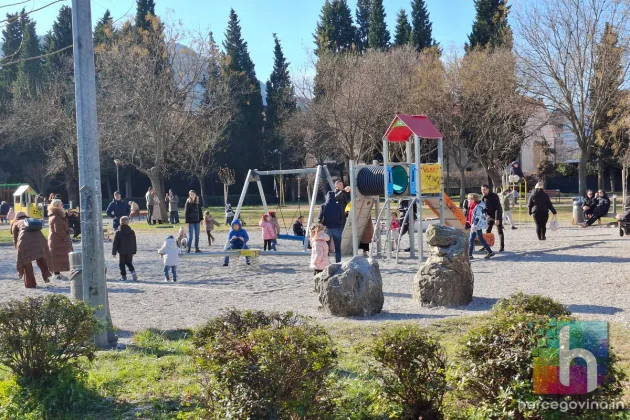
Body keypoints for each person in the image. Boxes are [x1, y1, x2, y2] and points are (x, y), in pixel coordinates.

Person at [12, 211, 52, 288]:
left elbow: (15, 238)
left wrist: (17, 248)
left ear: (16, 217)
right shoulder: (31, 221)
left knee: (26, 261)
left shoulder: (16, 222)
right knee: (41, 258)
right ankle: (46, 275)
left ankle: (30, 283)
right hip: (40, 240)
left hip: (24, 241)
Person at [47, 199, 73, 281]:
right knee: (56, 257)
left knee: (58, 257)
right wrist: (67, 234)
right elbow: (58, 230)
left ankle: (57, 274)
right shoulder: (56, 216)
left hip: (57, 240)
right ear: (57, 206)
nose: (63, 206)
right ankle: (56, 275)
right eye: (61, 204)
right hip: (57, 240)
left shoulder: (57, 215)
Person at [468, 193, 495, 260]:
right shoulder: (473, 206)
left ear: (473, 199)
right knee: (480, 238)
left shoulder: (478, 207)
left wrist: (474, 226)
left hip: (477, 226)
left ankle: (469, 255)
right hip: (476, 225)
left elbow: (477, 217)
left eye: (469, 199)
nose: (468, 200)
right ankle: (490, 252)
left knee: (471, 239)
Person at [319, 191, 343, 263]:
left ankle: (327, 263)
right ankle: (338, 263)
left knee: (326, 248)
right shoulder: (338, 206)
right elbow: (341, 217)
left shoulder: (323, 206)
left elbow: (319, 218)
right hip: (337, 228)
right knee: (338, 249)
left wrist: (323, 223)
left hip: (327, 228)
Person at [112, 216, 137, 281]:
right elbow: (134, 242)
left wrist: (114, 252)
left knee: (122, 264)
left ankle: (124, 276)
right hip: (130, 250)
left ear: (120, 222)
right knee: (129, 262)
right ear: (128, 223)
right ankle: (133, 271)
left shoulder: (118, 232)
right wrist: (134, 251)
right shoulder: (132, 232)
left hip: (122, 250)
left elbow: (115, 243)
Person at [481, 184, 505, 252]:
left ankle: (502, 247)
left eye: (484, 189)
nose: (483, 191)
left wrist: (497, 218)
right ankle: (486, 246)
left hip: (497, 215)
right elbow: (484, 208)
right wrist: (485, 215)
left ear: (488, 189)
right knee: (487, 231)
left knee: (499, 231)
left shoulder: (494, 196)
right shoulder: (483, 197)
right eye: (482, 190)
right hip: (489, 216)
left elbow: (498, 208)